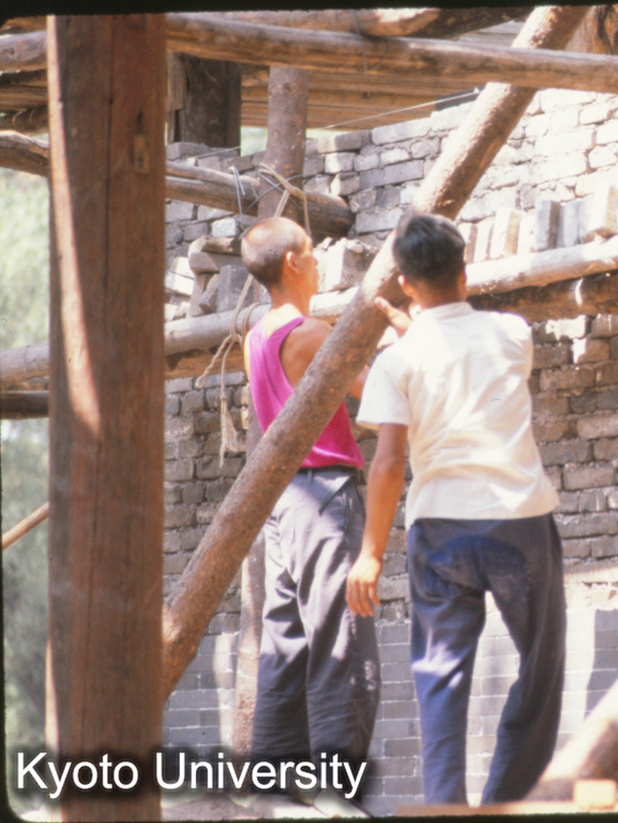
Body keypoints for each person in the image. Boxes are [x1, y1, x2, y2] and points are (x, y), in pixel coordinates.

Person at [348, 213, 565, 805]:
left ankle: (445, 807)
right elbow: (461, 358)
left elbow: (389, 461)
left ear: (406, 286)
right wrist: (416, 328)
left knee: (439, 677)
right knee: (541, 667)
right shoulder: (512, 332)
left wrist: (370, 554)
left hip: (439, 530)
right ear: (465, 271)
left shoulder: (398, 360)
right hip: (518, 521)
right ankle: (504, 801)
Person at [240, 216, 401, 797]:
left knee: (286, 649)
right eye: (311, 252)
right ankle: (338, 800)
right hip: (326, 497)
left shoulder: (256, 336)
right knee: (342, 646)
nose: (318, 261)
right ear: (291, 264)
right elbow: (376, 392)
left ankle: (274, 796)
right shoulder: (310, 332)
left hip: (284, 505)